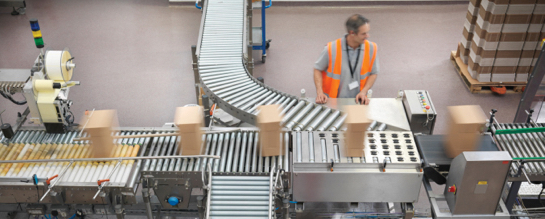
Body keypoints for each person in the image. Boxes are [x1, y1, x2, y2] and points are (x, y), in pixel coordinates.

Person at [313, 14, 379, 105]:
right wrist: (320, 93)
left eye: (367, 32)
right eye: (363, 33)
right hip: (333, 102)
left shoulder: (371, 48)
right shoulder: (331, 48)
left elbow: (373, 73)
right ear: (352, 33)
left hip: (357, 101)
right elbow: (317, 69)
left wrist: (364, 92)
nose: (367, 36)